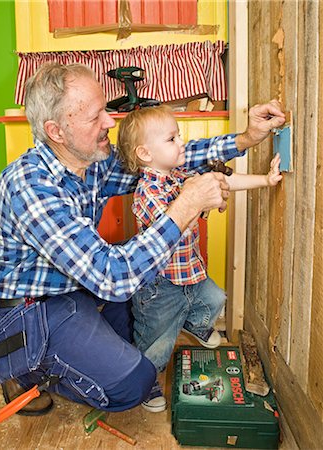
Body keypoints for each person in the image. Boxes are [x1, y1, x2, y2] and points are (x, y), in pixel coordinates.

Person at [0, 62, 285, 417]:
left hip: (75, 288)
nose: (110, 122)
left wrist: (245, 139)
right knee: (136, 383)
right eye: (96, 117)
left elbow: (165, 157)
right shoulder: (30, 187)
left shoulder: (90, 161)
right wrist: (186, 205)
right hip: (31, 307)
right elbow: (113, 277)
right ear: (56, 131)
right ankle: (23, 366)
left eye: (106, 110)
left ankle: (74, 343)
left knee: (141, 324)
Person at [117, 104, 282, 412]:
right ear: (144, 153)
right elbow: (174, 228)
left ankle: (194, 323)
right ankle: (146, 379)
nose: (182, 143)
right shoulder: (146, 194)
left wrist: (265, 180)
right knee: (157, 341)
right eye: (171, 139)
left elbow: (224, 183)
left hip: (190, 273)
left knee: (216, 298)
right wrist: (198, 201)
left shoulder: (180, 175)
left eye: (179, 135)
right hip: (159, 287)